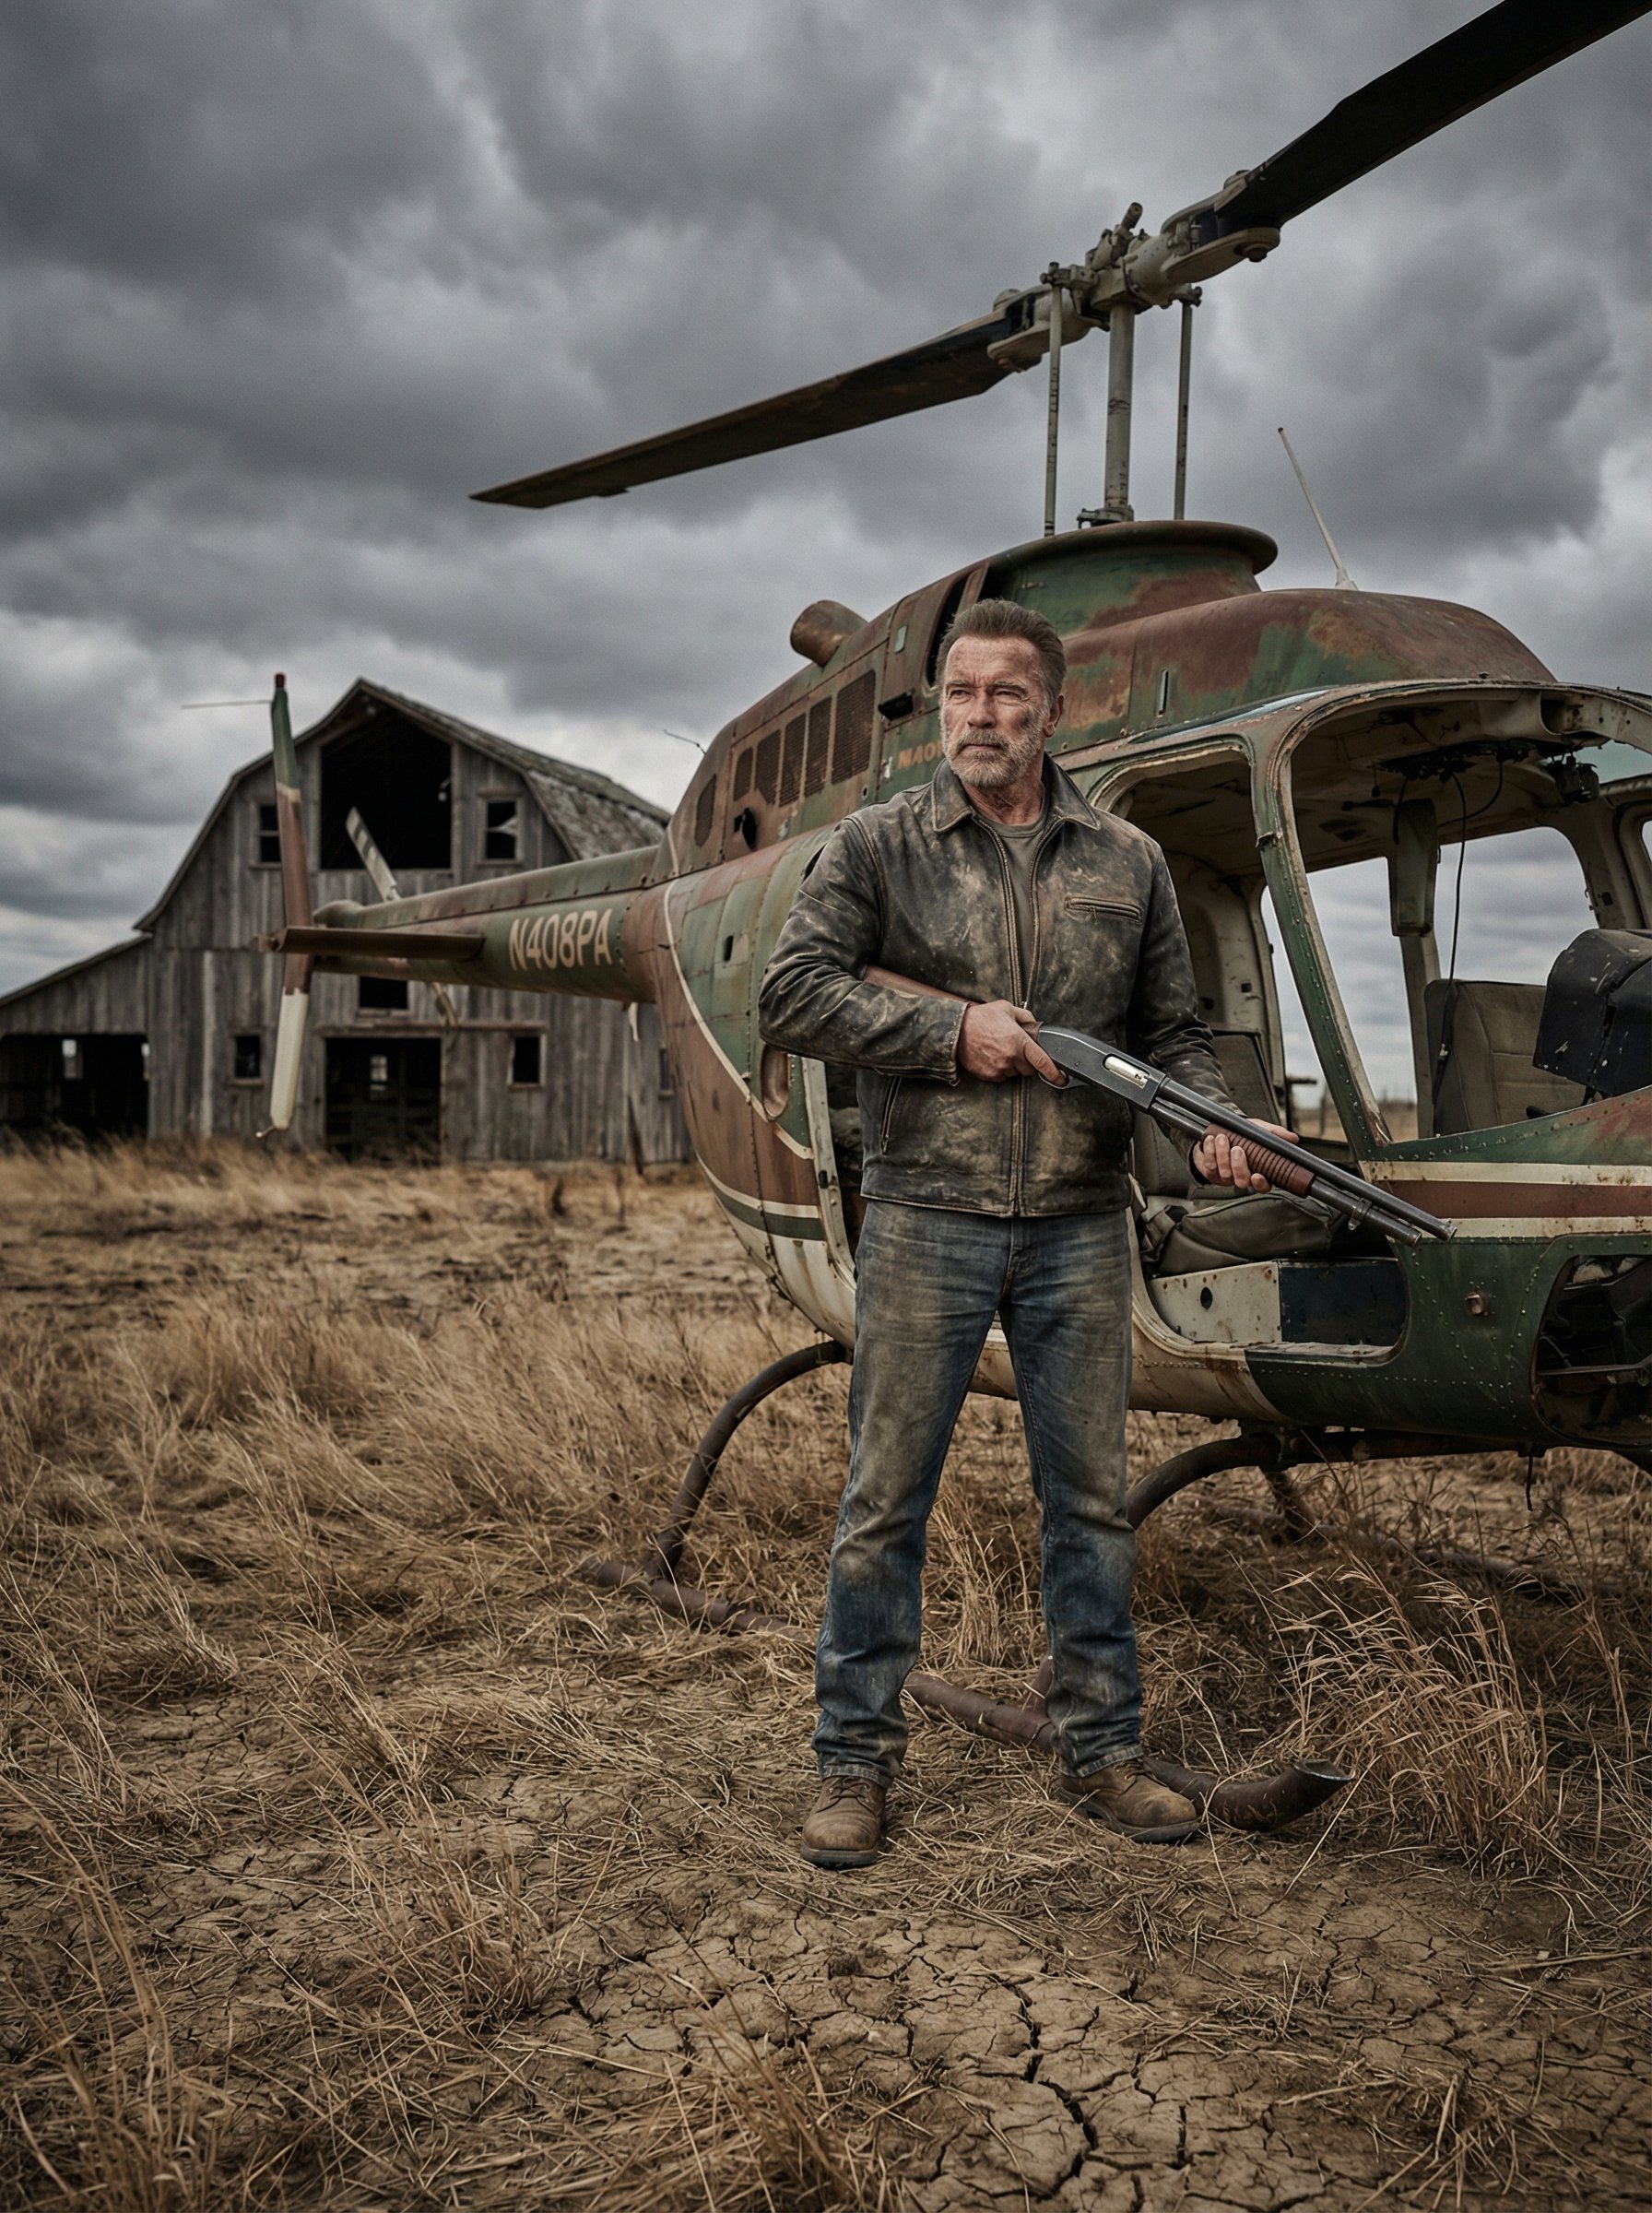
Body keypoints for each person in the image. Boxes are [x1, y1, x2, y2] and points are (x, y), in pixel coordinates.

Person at [758, 598, 1293, 1866]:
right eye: (960, 694)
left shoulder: (1126, 862)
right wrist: (954, 1033)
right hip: (925, 1221)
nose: (980, 717)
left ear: (1056, 711)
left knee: (1089, 1506)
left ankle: (1103, 1754)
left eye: (1007, 695)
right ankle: (854, 1763)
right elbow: (795, 993)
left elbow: (1171, 1037)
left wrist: (1209, 1124)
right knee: (885, 1503)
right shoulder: (881, 845)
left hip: (1074, 1231)